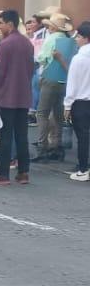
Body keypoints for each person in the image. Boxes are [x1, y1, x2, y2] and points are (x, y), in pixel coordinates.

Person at [0, 9, 35, 186]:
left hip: (6, 96)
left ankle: (3, 173)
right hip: (23, 95)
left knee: (5, 135)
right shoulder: (27, 43)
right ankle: (23, 172)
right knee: (22, 135)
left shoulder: (6, 44)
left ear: (10, 24)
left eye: (1, 23)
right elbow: (31, 69)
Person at [35, 13, 75, 162]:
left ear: (52, 26)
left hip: (49, 77)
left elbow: (42, 57)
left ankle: (42, 146)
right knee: (58, 113)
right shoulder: (68, 40)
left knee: (42, 113)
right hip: (64, 80)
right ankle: (57, 146)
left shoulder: (51, 39)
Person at [65, 21, 90, 182]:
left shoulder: (79, 58)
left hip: (80, 102)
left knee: (82, 137)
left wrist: (67, 105)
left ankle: (83, 168)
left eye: (79, 36)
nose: (76, 39)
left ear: (86, 38)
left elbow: (72, 84)